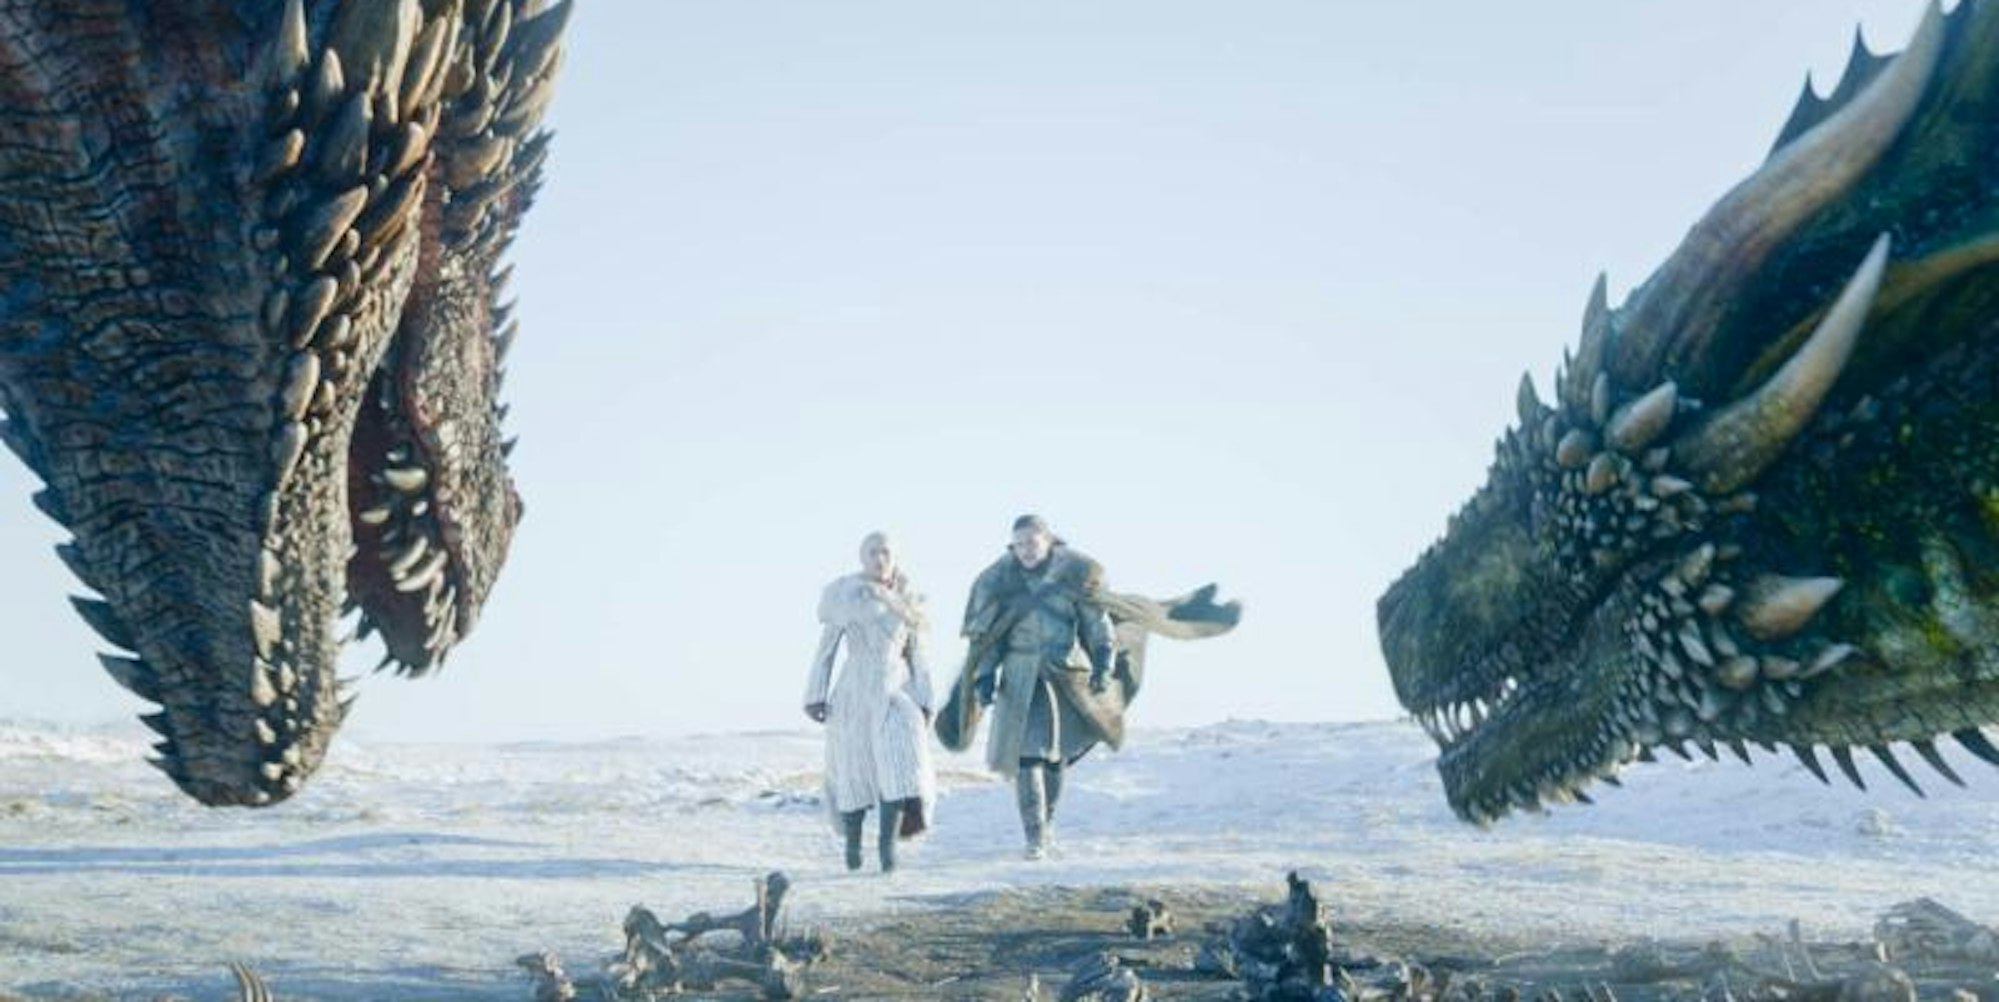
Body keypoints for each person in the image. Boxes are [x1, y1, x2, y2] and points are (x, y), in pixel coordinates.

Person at [960, 514, 1120, 860]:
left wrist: (1103, 663)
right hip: (1020, 678)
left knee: (1054, 758)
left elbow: (1096, 624)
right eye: (1019, 544)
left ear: (1048, 542)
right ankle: (1034, 838)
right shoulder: (1003, 584)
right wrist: (985, 676)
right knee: (1026, 756)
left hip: (1065, 676)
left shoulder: (1073, 578)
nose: (1026, 550)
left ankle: (1046, 827)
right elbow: (990, 637)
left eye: (1032, 542)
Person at [803, 531, 937, 873]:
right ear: (862, 558)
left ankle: (887, 850)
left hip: (896, 691)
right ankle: (852, 846)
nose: (879, 559)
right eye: (872, 552)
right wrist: (815, 695)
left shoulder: (909, 600)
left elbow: (919, 656)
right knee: (854, 770)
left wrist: (925, 700)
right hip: (855, 692)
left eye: (885, 552)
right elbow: (826, 649)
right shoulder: (846, 596)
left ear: (895, 557)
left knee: (899, 769)